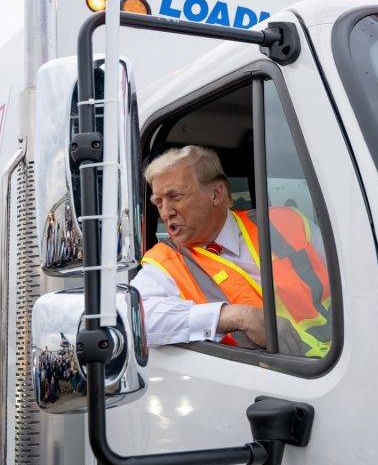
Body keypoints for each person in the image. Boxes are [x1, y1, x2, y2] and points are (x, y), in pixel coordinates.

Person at [133, 145, 331, 358]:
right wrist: (235, 316)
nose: (166, 212)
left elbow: (354, 278)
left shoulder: (286, 222)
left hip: (344, 359)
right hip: (266, 379)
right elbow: (134, 317)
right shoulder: (165, 261)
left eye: (175, 196)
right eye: (158, 202)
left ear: (216, 194)